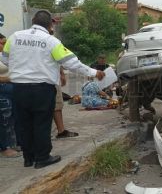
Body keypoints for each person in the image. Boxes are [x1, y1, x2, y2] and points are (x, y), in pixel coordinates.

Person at [1, 10, 105, 168]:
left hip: (19, 88)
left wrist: (23, 68)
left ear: (33, 21)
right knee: (41, 123)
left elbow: (5, 59)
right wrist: (94, 72)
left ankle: (28, 158)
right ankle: (42, 158)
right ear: (51, 25)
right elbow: (72, 63)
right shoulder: (51, 41)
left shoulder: (14, 37)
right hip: (42, 89)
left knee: (24, 123)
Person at [0, 33, 19, 157]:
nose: (4, 45)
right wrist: (8, 79)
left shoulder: (4, 56)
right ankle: (4, 147)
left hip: (11, 91)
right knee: (4, 119)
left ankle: (13, 144)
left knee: (12, 118)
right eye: (1, 42)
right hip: (2, 92)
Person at [54, 67, 79, 138]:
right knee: (57, 104)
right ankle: (61, 130)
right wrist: (62, 73)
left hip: (23, 80)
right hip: (49, 78)